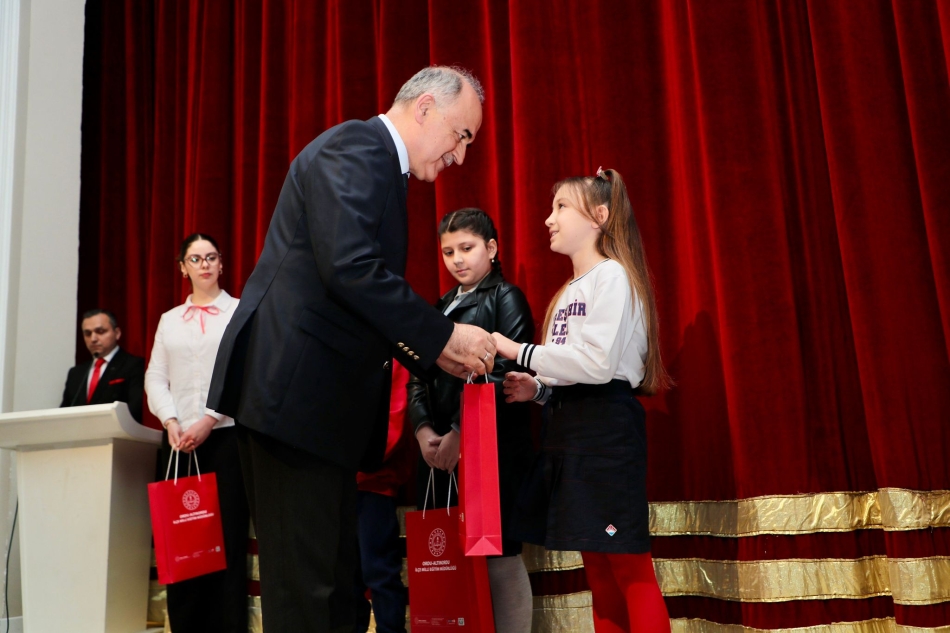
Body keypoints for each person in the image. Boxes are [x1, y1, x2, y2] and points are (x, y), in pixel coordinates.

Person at [205, 66, 497, 632]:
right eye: (461, 135)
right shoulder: (358, 147)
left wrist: (433, 349)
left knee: (337, 593)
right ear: (426, 108)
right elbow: (351, 267)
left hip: (315, 412)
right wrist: (442, 336)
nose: (461, 156)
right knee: (308, 596)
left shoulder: (378, 163)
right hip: (294, 403)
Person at [493, 168, 673, 633]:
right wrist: (539, 389)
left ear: (599, 216)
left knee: (628, 566)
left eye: (561, 207)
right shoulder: (567, 292)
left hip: (606, 434)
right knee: (597, 566)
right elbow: (572, 370)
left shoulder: (612, 277)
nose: (548, 219)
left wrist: (518, 350)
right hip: (569, 433)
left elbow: (597, 365)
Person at [407, 207, 535, 631]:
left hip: (491, 450)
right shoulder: (441, 305)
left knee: (499, 556)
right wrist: (425, 430)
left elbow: (507, 373)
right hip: (440, 453)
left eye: (467, 248)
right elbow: (418, 376)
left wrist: (461, 433)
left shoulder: (506, 297)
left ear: (491, 248)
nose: (457, 260)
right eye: (448, 252)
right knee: (452, 558)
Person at [144, 234, 249, 633]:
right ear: (182, 268)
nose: (204, 264)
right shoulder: (170, 319)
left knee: (226, 541)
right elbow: (156, 376)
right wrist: (170, 420)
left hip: (225, 439)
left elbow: (243, 373)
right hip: (178, 444)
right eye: (195, 259)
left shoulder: (239, 312)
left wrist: (209, 419)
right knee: (182, 541)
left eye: (211, 257)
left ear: (221, 264)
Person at [353, 361, 413, 633]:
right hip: (336, 483)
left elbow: (394, 417)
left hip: (374, 482)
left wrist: (354, 461)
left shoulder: (391, 353)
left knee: (379, 573)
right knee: (345, 578)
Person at [60, 309, 144, 422]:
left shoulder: (134, 365)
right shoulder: (76, 373)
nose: (93, 339)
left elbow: (135, 410)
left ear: (117, 333)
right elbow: (63, 413)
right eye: (88, 333)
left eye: (100, 331)